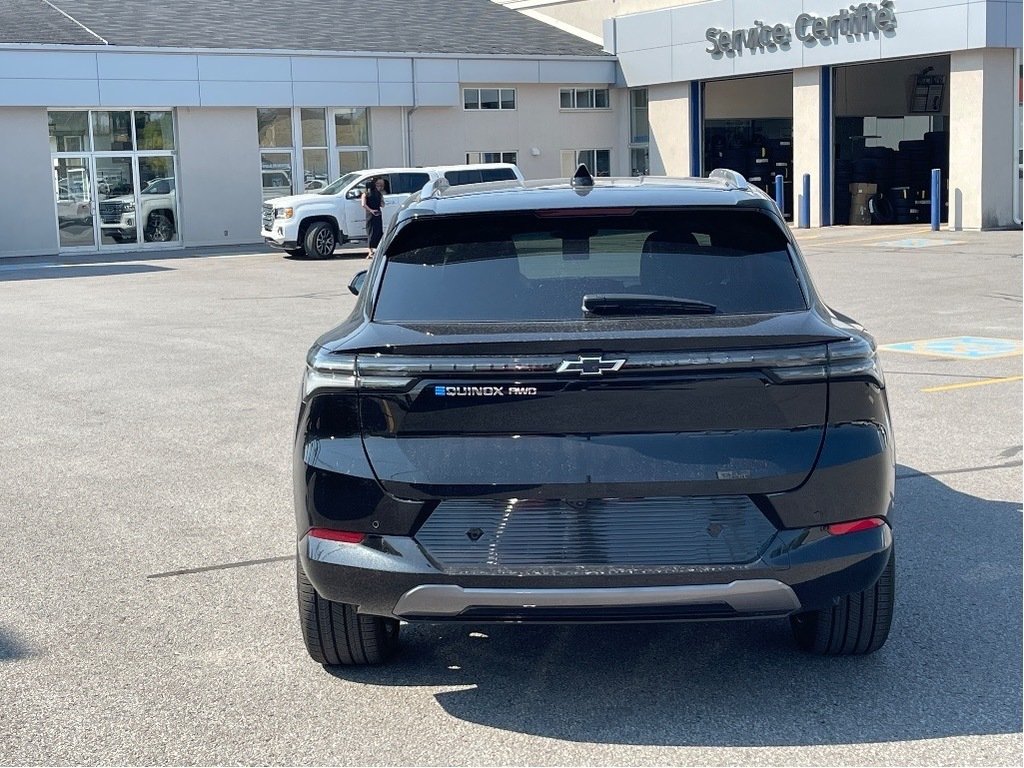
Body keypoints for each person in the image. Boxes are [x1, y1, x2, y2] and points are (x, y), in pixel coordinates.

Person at [361, 176, 386, 259]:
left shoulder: (365, 194)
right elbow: (382, 205)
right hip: (378, 214)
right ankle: (379, 249)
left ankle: (370, 251)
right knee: (378, 231)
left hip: (370, 215)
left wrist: (371, 210)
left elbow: (363, 204)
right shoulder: (378, 194)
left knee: (370, 232)